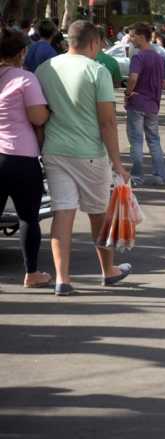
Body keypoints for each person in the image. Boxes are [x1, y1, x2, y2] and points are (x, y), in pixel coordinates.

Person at [35, 20, 133, 296]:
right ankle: (108, 271)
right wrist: (116, 162)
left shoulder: (45, 69)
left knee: (62, 214)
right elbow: (107, 122)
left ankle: (62, 279)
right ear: (92, 43)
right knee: (97, 214)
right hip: (90, 154)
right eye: (100, 45)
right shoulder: (97, 71)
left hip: (54, 151)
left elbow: (40, 115)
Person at [0, 28, 52, 288]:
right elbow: (38, 117)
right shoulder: (25, 79)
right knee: (28, 217)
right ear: (21, 53)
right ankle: (31, 273)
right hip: (21, 158)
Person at [125, 23, 165, 186]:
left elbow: (133, 78)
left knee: (136, 141)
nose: (131, 38)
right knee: (154, 140)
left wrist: (128, 93)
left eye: (133, 35)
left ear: (142, 37)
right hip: (153, 104)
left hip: (137, 103)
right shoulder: (160, 58)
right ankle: (160, 176)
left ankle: (137, 177)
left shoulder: (138, 57)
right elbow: (164, 84)